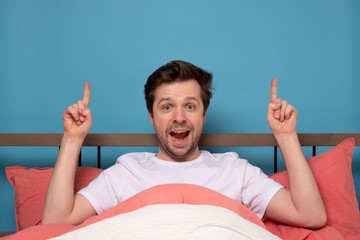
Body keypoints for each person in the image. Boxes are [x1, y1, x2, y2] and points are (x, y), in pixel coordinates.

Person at [42, 60, 327, 228]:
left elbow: (311, 216)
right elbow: (55, 222)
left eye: (190, 106)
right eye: (166, 108)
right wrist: (73, 139)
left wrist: (286, 137)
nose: (179, 118)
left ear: (203, 115)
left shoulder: (234, 170)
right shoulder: (126, 171)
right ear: (152, 118)